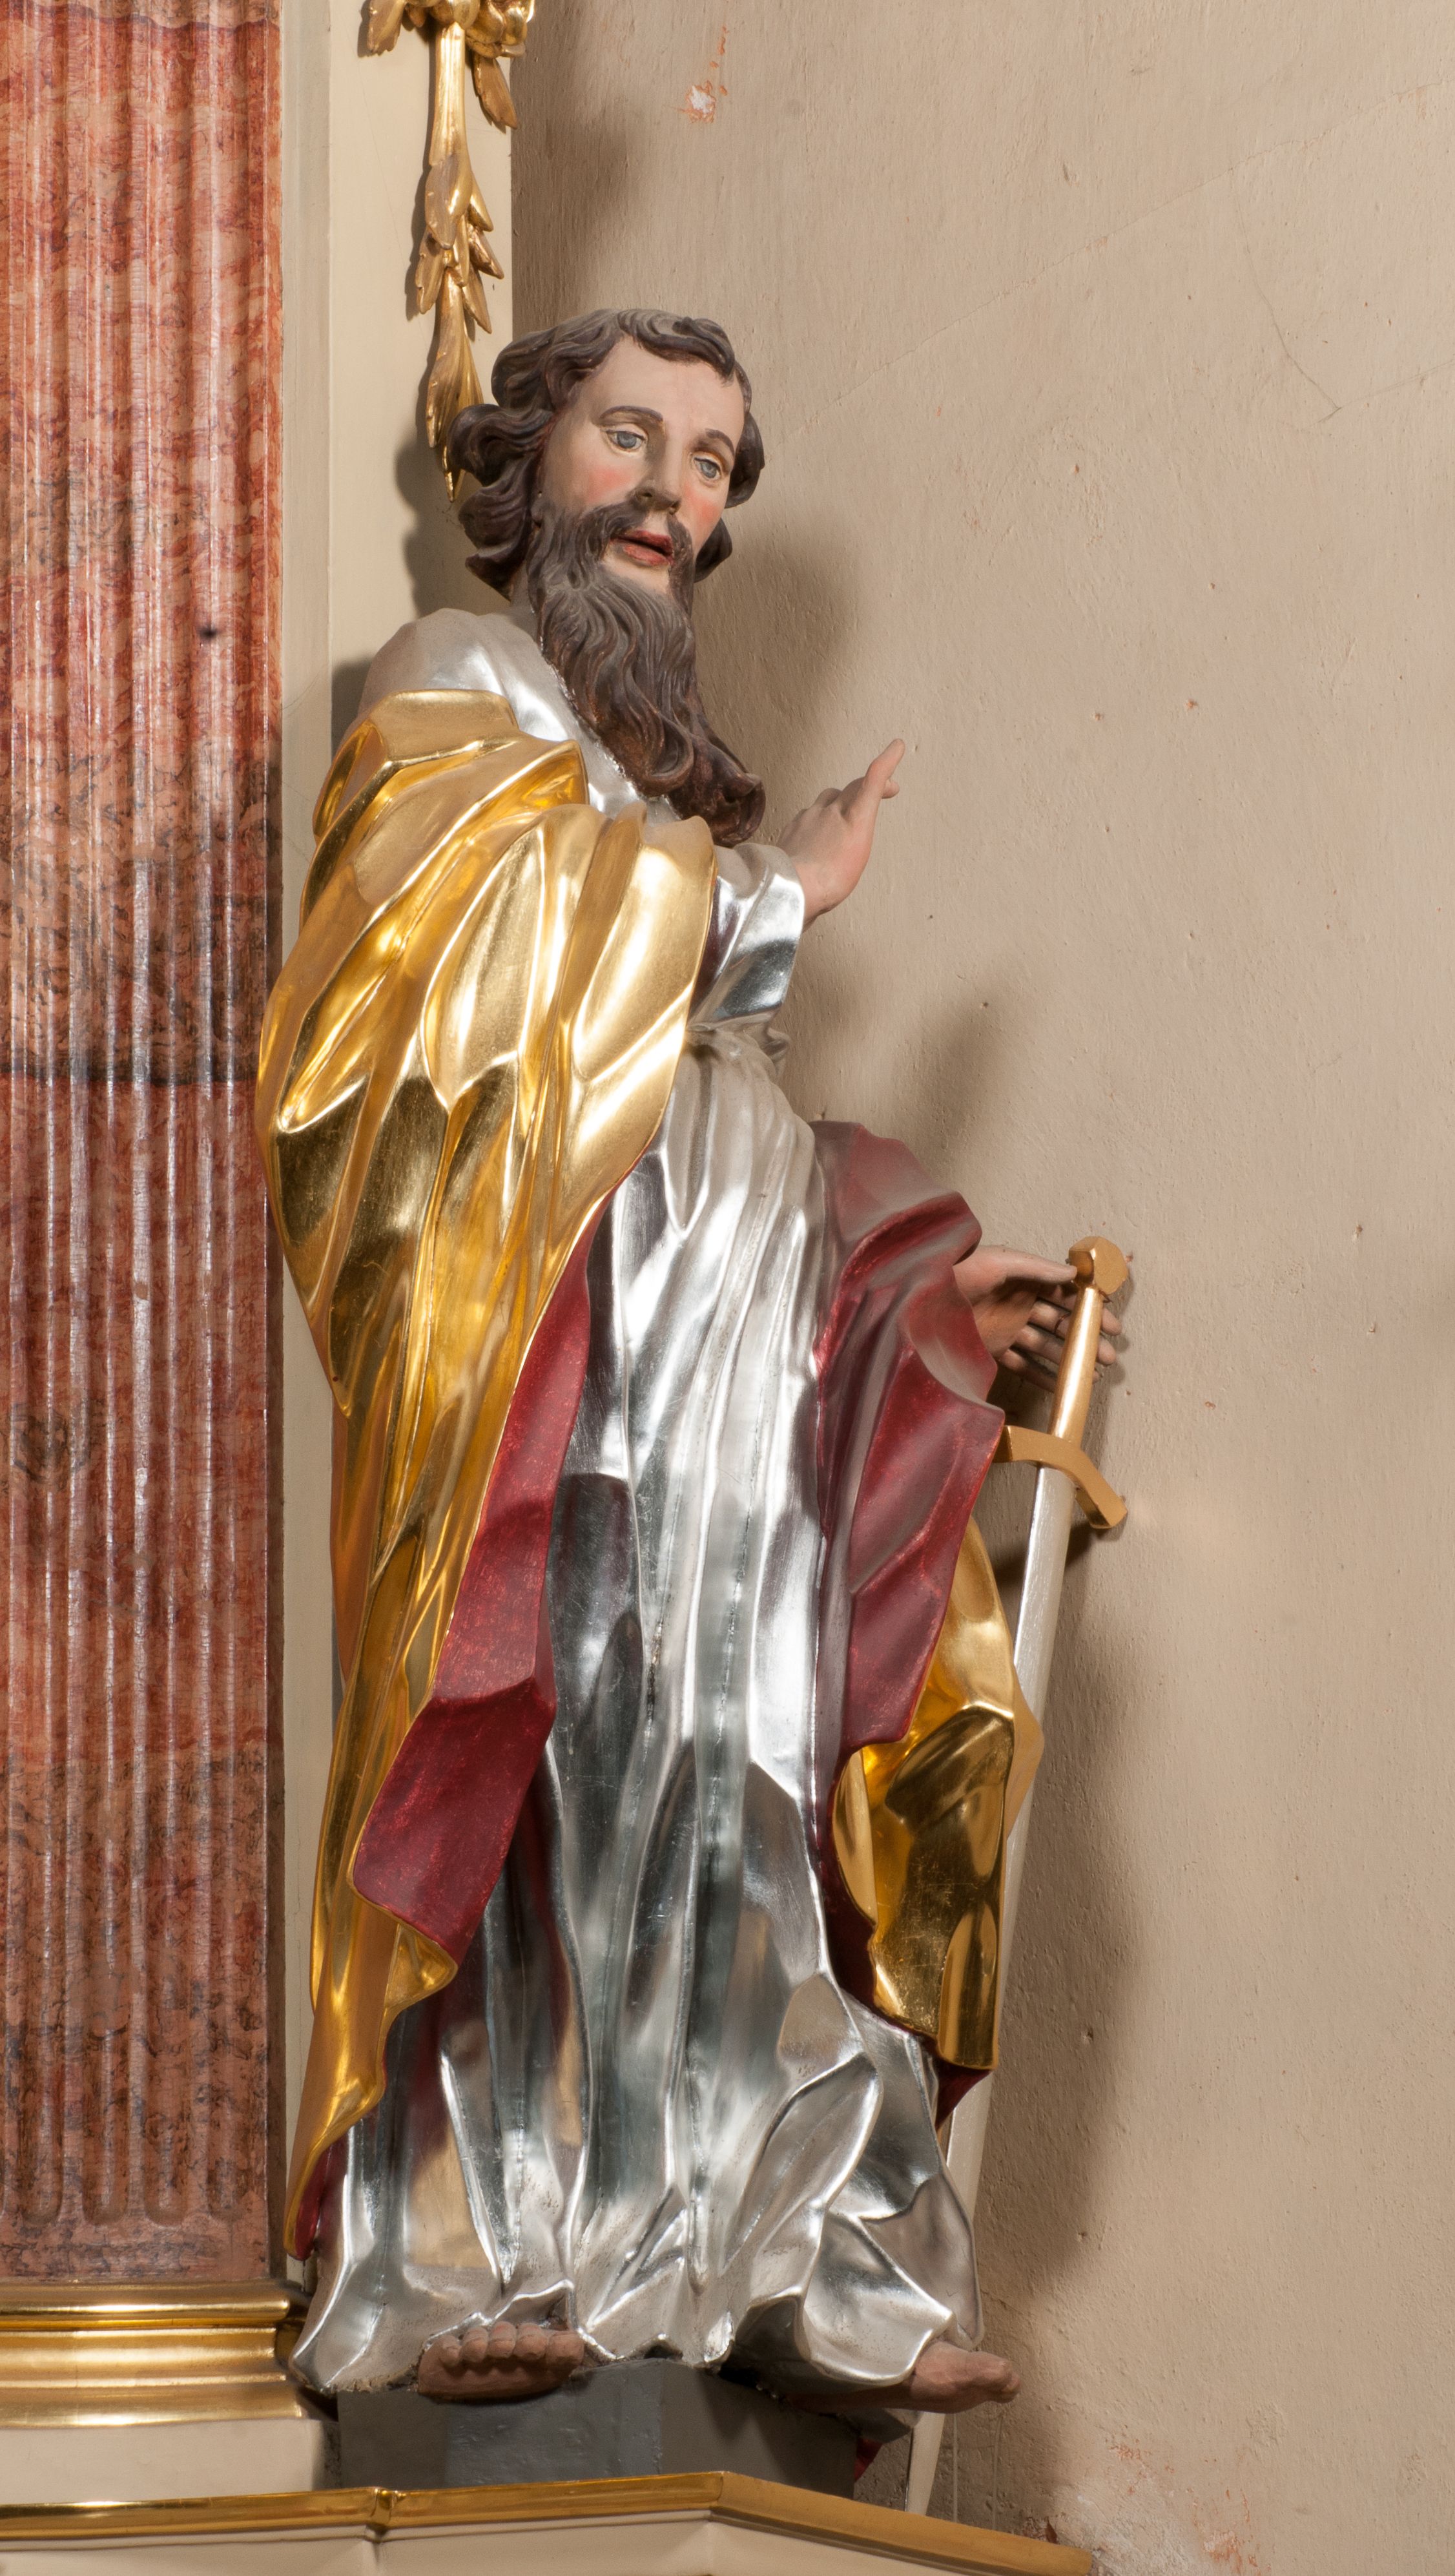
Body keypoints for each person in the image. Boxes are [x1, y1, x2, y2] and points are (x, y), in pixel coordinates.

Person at [257, 309, 1119, 2418]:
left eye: (713, 461)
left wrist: (902, 1297)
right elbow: (435, 999)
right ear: (528, 464)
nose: (671, 492)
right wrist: (772, 888)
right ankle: (468, 2247)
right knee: (554, 1758)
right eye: (629, 437)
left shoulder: (645, 786)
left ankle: (792, 2250)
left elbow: (714, 1109)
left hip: (737, 1358)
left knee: (744, 1765)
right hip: (545, 1355)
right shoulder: (454, 684)